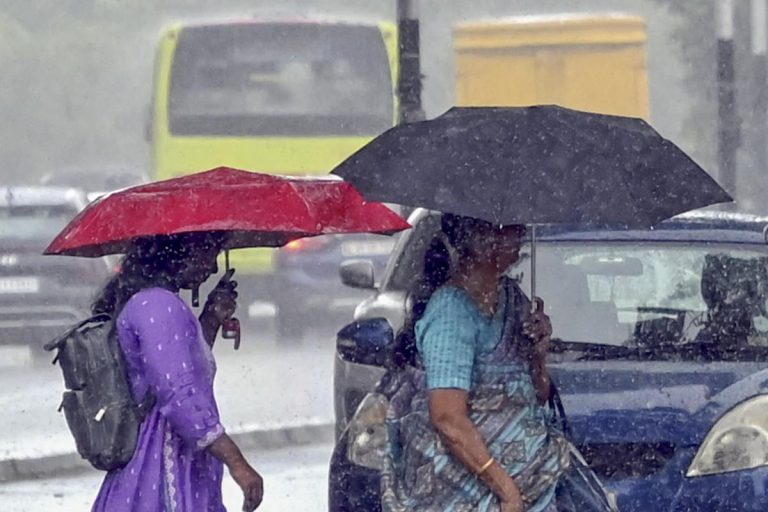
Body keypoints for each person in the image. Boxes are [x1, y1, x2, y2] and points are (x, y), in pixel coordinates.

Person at [380, 214, 570, 512]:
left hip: (531, 486)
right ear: (480, 239)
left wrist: (538, 353)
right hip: (470, 494)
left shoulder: (512, 299)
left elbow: (537, 395)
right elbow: (447, 418)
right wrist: (506, 491)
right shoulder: (451, 312)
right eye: (510, 228)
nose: (520, 235)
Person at [90, 234, 263, 512]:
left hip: (174, 458)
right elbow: (180, 396)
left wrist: (210, 319)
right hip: (162, 460)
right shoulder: (159, 306)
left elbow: (184, 368)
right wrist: (238, 463)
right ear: (180, 253)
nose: (213, 268)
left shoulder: (154, 302)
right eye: (209, 254)